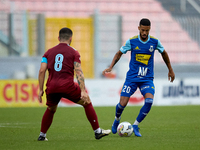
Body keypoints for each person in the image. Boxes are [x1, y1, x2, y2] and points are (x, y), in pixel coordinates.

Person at [102, 18, 175, 137]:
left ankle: (135, 125)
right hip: (132, 78)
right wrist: (110, 67)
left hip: (147, 79)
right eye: (142, 30)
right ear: (138, 28)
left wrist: (170, 70)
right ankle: (117, 119)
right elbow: (119, 53)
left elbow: (164, 53)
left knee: (149, 101)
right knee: (122, 104)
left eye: (146, 30)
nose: (144, 33)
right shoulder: (132, 41)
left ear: (149, 29)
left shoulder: (155, 42)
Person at [38, 27, 111, 141]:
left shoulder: (48, 52)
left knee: (51, 109)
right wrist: (83, 90)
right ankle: (97, 132)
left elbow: (42, 70)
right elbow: (78, 72)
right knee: (87, 102)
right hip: (67, 86)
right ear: (71, 39)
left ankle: (42, 136)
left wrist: (40, 89)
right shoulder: (74, 52)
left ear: (58, 38)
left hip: (51, 86)